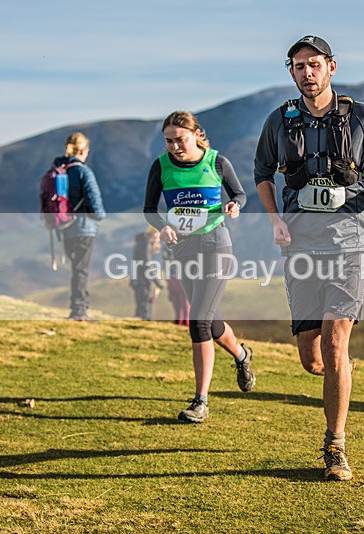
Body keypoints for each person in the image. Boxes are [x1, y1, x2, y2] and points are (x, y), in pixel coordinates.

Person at [253, 35, 364, 481]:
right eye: (298, 66)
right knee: (312, 359)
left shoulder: (362, 117)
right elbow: (262, 174)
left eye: (314, 64)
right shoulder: (279, 121)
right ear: (291, 72)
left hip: (352, 239)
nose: (306, 72)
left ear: (331, 68)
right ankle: (341, 372)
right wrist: (276, 220)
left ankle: (335, 446)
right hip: (300, 242)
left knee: (336, 345)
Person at [144, 110, 256, 423]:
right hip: (183, 249)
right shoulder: (161, 166)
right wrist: (163, 225)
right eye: (169, 141)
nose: (175, 146)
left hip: (216, 244)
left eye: (180, 139)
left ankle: (200, 401)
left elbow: (240, 194)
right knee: (211, 321)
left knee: (198, 321)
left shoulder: (217, 162)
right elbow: (149, 210)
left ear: (195, 134)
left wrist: (235, 205)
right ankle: (242, 354)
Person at [57, 132, 106, 321]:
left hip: (65, 227)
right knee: (81, 269)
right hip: (84, 227)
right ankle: (79, 311)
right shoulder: (83, 171)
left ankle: (78, 308)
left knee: (76, 268)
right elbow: (94, 199)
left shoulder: (61, 171)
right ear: (84, 150)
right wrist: (100, 216)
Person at [130, 227, 164, 320]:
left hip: (138, 280)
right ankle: (145, 327)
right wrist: (158, 282)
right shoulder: (146, 244)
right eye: (158, 235)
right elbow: (147, 264)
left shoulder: (141, 242)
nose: (159, 238)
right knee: (145, 309)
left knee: (140, 307)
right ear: (154, 233)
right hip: (143, 281)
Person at [163, 244, 191, 326]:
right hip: (178, 276)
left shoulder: (166, 247)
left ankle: (182, 320)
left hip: (174, 277)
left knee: (180, 299)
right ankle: (183, 321)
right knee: (181, 299)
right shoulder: (182, 245)